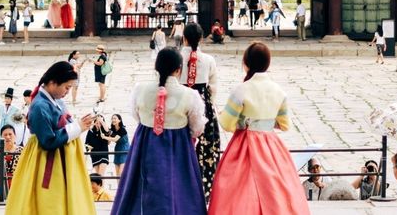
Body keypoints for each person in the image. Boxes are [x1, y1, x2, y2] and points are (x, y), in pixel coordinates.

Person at [207, 43, 307, 215]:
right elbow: (284, 124)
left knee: (238, 190)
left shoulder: (241, 90)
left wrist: (243, 122)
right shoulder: (279, 91)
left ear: (246, 62)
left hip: (244, 145)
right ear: (268, 63)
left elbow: (226, 123)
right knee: (277, 190)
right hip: (271, 146)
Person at [110, 48, 205, 215]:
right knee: (179, 188)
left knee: (138, 187)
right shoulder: (190, 95)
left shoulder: (140, 89)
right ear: (178, 69)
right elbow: (197, 128)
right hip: (178, 147)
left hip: (145, 142)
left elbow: (136, 115)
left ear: (156, 67)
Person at [3, 61, 97, 215]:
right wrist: (77, 127)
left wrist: (79, 124)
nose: (67, 92)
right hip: (47, 160)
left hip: (60, 159)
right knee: (50, 203)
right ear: (53, 82)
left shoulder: (55, 99)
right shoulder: (39, 106)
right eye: (66, 87)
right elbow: (48, 141)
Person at [178, 23, 220, 199]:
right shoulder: (209, 60)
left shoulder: (176, 57)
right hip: (203, 104)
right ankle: (204, 187)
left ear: (184, 38)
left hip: (179, 100)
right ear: (201, 38)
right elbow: (213, 87)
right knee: (206, 146)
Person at [0, 125, 22, 192]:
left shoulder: (22, 151)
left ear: (15, 136)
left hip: (18, 185)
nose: (8, 137)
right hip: (2, 186)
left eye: (10, 134)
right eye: (5, 135)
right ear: (1, 137)